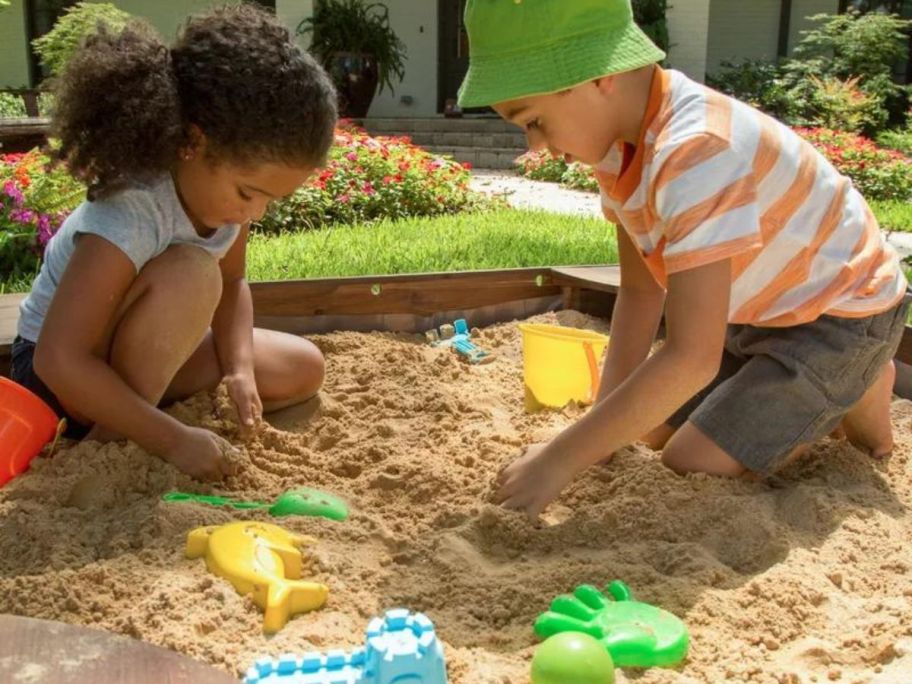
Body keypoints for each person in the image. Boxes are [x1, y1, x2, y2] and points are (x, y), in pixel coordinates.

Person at [455, 0, 909, 518]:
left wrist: (560, 459)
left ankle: (864, 379)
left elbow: (693, 357)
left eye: (534, 121)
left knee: (693, 460)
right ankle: (852, 381)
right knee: (642, 424)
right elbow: (642, 291)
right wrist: (598, 437)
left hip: (842, 317)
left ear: (595, 77)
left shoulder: (696, 150)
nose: (535, 146)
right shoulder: (617, 147)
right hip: (763, 313)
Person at [10, 4, 337, 481]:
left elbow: (233, 280)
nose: (256, 212)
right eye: (249, 193)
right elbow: (58, 359)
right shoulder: (133, 208)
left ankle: (135, 415)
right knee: (190, 274)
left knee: (301, 366)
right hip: (61, 380)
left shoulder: (231, 200)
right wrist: (174, 440)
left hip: (145, 353)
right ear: (194, 142)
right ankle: (104, 447)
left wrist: (239, 370)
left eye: (271, 199)